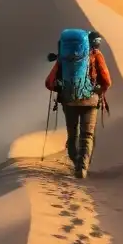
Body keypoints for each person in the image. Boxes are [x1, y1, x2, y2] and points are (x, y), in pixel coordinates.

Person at [45, 30, 112, 178]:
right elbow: (107, 81)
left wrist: (60, 87)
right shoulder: (96, 55)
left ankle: (76, 163)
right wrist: (99, 91)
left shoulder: (63, 58)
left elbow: (49, 82)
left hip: (69, 101)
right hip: (91, 101)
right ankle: (82, 167)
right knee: (87, 135)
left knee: (72, 134)